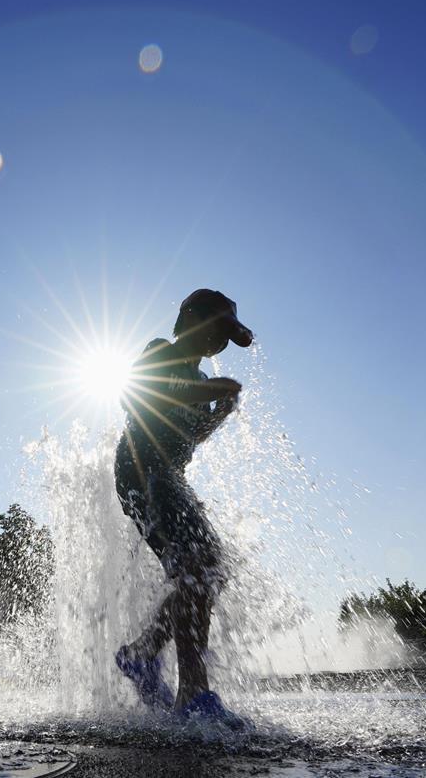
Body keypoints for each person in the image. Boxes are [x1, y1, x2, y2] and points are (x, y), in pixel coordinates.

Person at [113, 289, 253, 725]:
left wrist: (221, 412)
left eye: (227, 337)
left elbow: (189, 441)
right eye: (217, 329)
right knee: (199, 566)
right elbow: (135, 393)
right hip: (142, 474)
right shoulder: (160, 351)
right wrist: (210, 390)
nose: (220, 343)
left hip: (170, 478)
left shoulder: (199, 384)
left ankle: (142, 653)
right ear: (191, 320)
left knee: (206, 571)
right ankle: (193, 692)